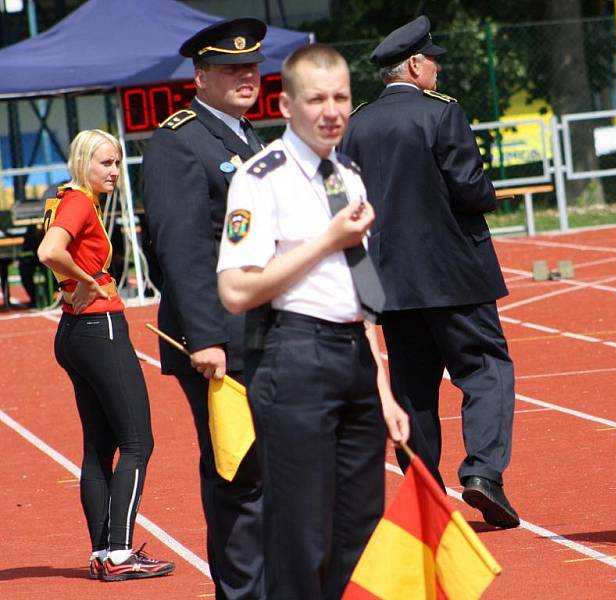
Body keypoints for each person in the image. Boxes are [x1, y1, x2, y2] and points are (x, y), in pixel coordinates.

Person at [216, 43, 410, 599]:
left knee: (359, 528)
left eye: (342, 97)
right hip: (293, 354)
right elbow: (234, 290)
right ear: (286, 106)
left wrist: (384, 388)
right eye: (317, 99)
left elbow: (357, 288)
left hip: (354, 356)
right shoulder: (262, 177)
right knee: (301, 537)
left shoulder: (347, 174)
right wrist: (328, 239)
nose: (332, 110)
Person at [340, 15, 520, 529]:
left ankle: (424, 492)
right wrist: (487, 196)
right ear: (415, 65)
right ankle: (483, 473)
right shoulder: (443, 113)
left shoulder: (355, 123)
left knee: (413, 388)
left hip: (390, 280)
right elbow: (467, 187)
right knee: (486, 369)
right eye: (433, 59)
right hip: (455, 274)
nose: (437, 67)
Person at [142, 17, 268, 600]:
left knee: (271, 472)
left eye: (251, 67)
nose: (247, 76)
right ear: (201, 76)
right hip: (221, 341)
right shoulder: (178, 139)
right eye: (231, 69)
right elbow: (180, 246)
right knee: (237, 475)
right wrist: (205, 337)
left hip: (267, 335)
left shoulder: (250, 137)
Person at [36, 129, 175, 581]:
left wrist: (78, 281)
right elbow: (49, 251)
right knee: (139, 443)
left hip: (75, 332)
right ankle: (118, 552)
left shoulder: (68, 197)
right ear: (83, 162)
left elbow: (60, 254)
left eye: (117, 162)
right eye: (105, 163)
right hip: (99, 329)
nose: (114, 171)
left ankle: (103, 552)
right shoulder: (78, 201)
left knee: (100, 447)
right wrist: (90, 282)